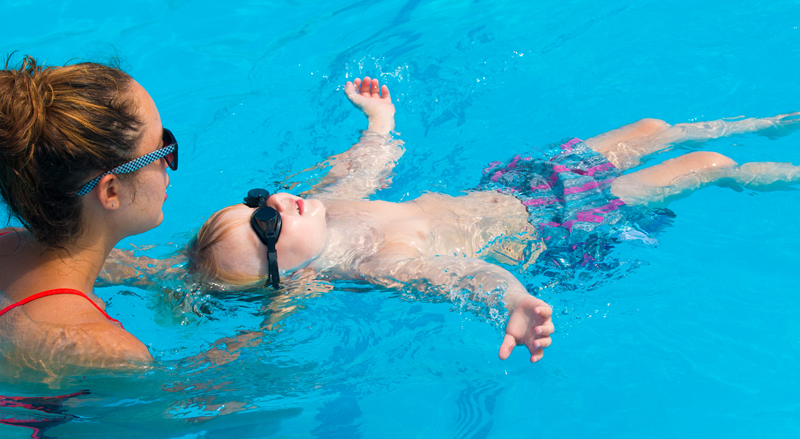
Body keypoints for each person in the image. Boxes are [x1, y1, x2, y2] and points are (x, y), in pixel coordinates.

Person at [188, 76, 800, 364]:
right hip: (558, 222)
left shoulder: (327, 206)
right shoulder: (380, 264)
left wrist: (377, 119)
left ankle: (770, 123)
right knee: (708, 163)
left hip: (513, 188)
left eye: (253, 201)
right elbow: (467, 274)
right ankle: (757, 169)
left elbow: (369, 161)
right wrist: (513, 297)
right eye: (264, 228)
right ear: (289, 275)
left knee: (651, 128)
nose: (269, 206)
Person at [0, 55, 178, 370]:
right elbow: (192, 416)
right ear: (111, 191)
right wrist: (274, 315)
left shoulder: (7, 243)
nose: (168, 163)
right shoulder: (105, 349)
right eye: (163, 149)